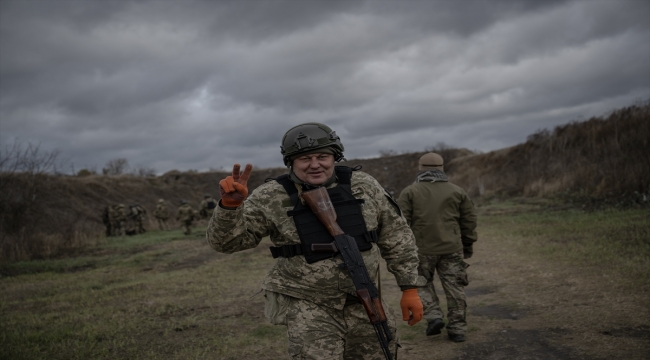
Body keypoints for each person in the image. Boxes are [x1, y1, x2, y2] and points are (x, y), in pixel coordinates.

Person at [207, 122, 425, 360]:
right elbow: (226, 243)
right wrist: (230, 207)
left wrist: (409, 288)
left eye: (323, 156)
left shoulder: (363, 186)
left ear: (335, 156)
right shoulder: (271, 196)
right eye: (304, 159)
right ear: (291, 161)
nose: (315, 165)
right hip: (309, 306)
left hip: (366, 300)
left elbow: (397, 236)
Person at [397, 152, 478, 343]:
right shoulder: (457, 191)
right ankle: (458, 329)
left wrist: (403, 250)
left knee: (421, 283)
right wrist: (467, 244)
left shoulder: (410, 192)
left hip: (421, 250)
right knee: (455, 288)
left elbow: (401, 223)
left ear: (420, 168)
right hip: (452, 249)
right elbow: (469, 220)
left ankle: (433, 316)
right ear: (442, 168)